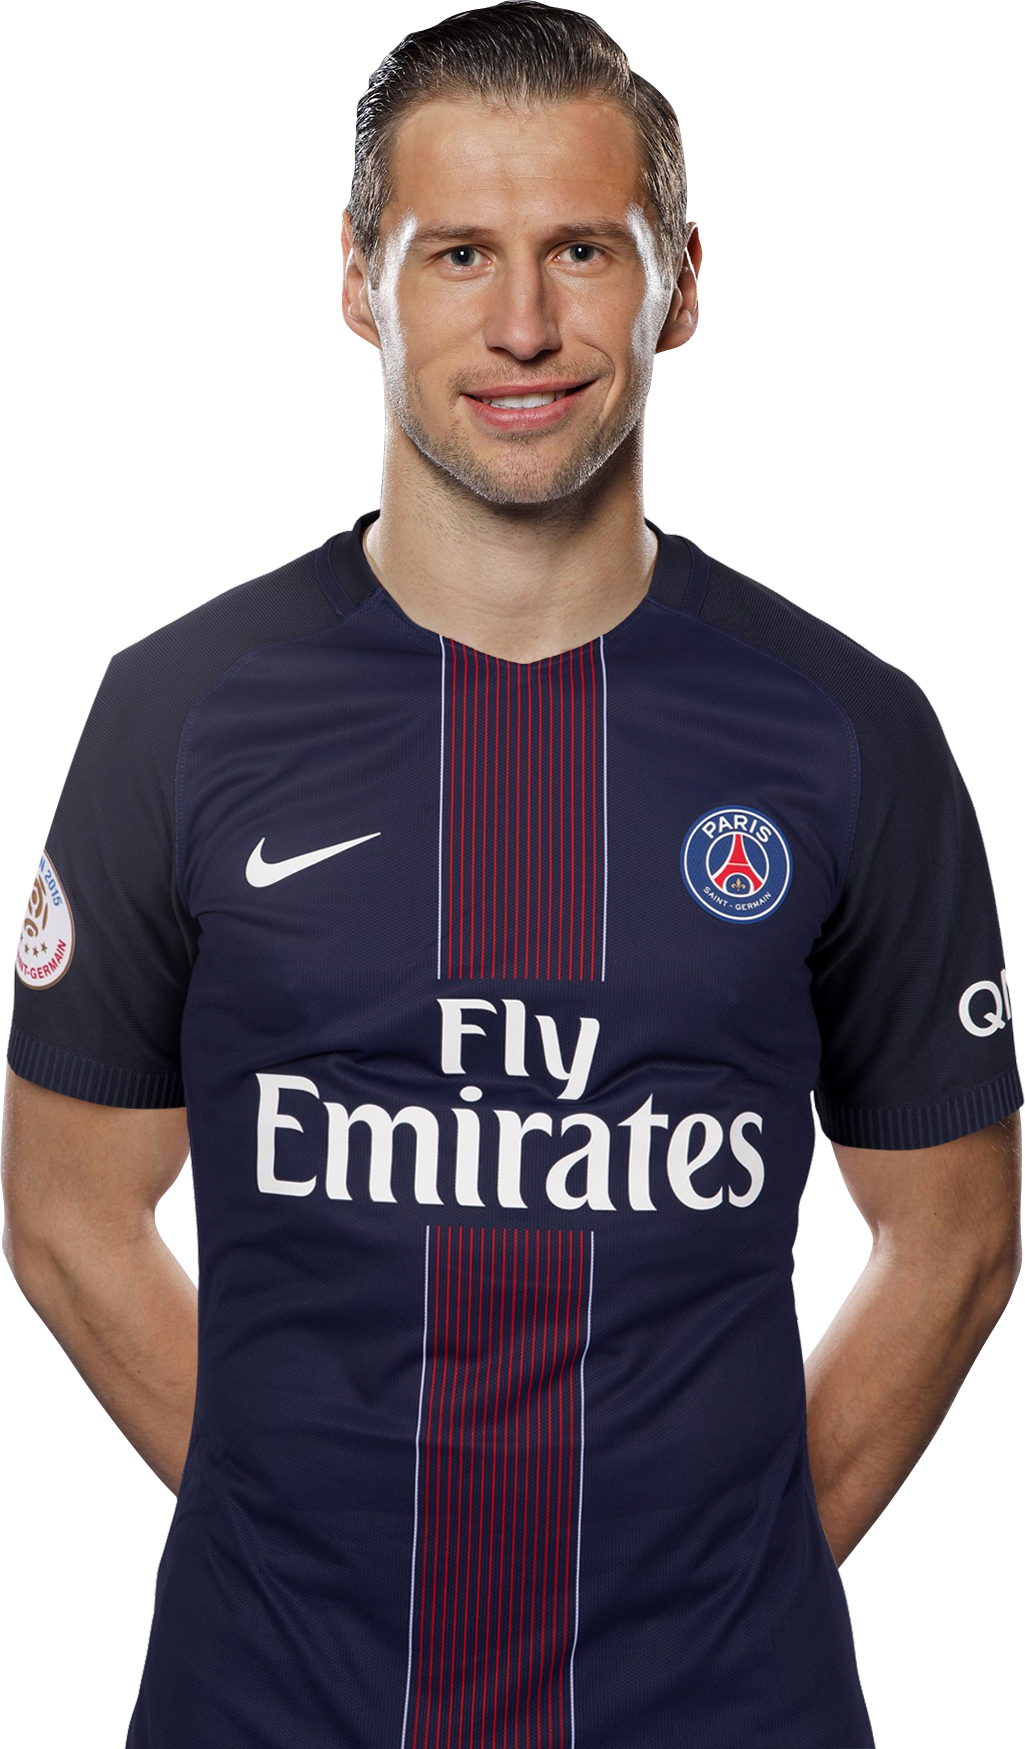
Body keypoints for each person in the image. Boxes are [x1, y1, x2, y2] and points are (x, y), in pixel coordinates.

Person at [4, 4, 1021, 1746]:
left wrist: (728, 1581)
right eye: (458, 252)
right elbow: (63, 1213)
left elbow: (962, 1238)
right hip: (272, 1711)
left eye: (585, 252)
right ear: (359, 279)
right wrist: (309, 1560)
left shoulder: (848, 732)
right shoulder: (180, 715)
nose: (526, 325)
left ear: (679, 287)